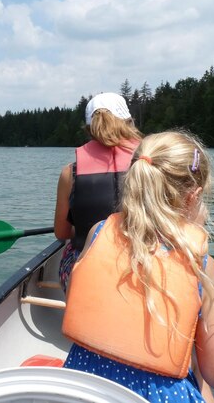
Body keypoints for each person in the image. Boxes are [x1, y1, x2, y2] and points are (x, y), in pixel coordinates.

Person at [62, 131, 214, 403]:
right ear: (194, 196)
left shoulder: (98, 232)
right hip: (154, 396)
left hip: (82, 388)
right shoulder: (202, 265)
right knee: (204, 383)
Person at [53, 92, 142, 292]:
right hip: (140, 268)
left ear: (89, 129)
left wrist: (84, 229)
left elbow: (61, 233)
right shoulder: (151, 165)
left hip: (89, 274)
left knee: (71, 251)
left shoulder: (71, 173)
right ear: (129, 123)